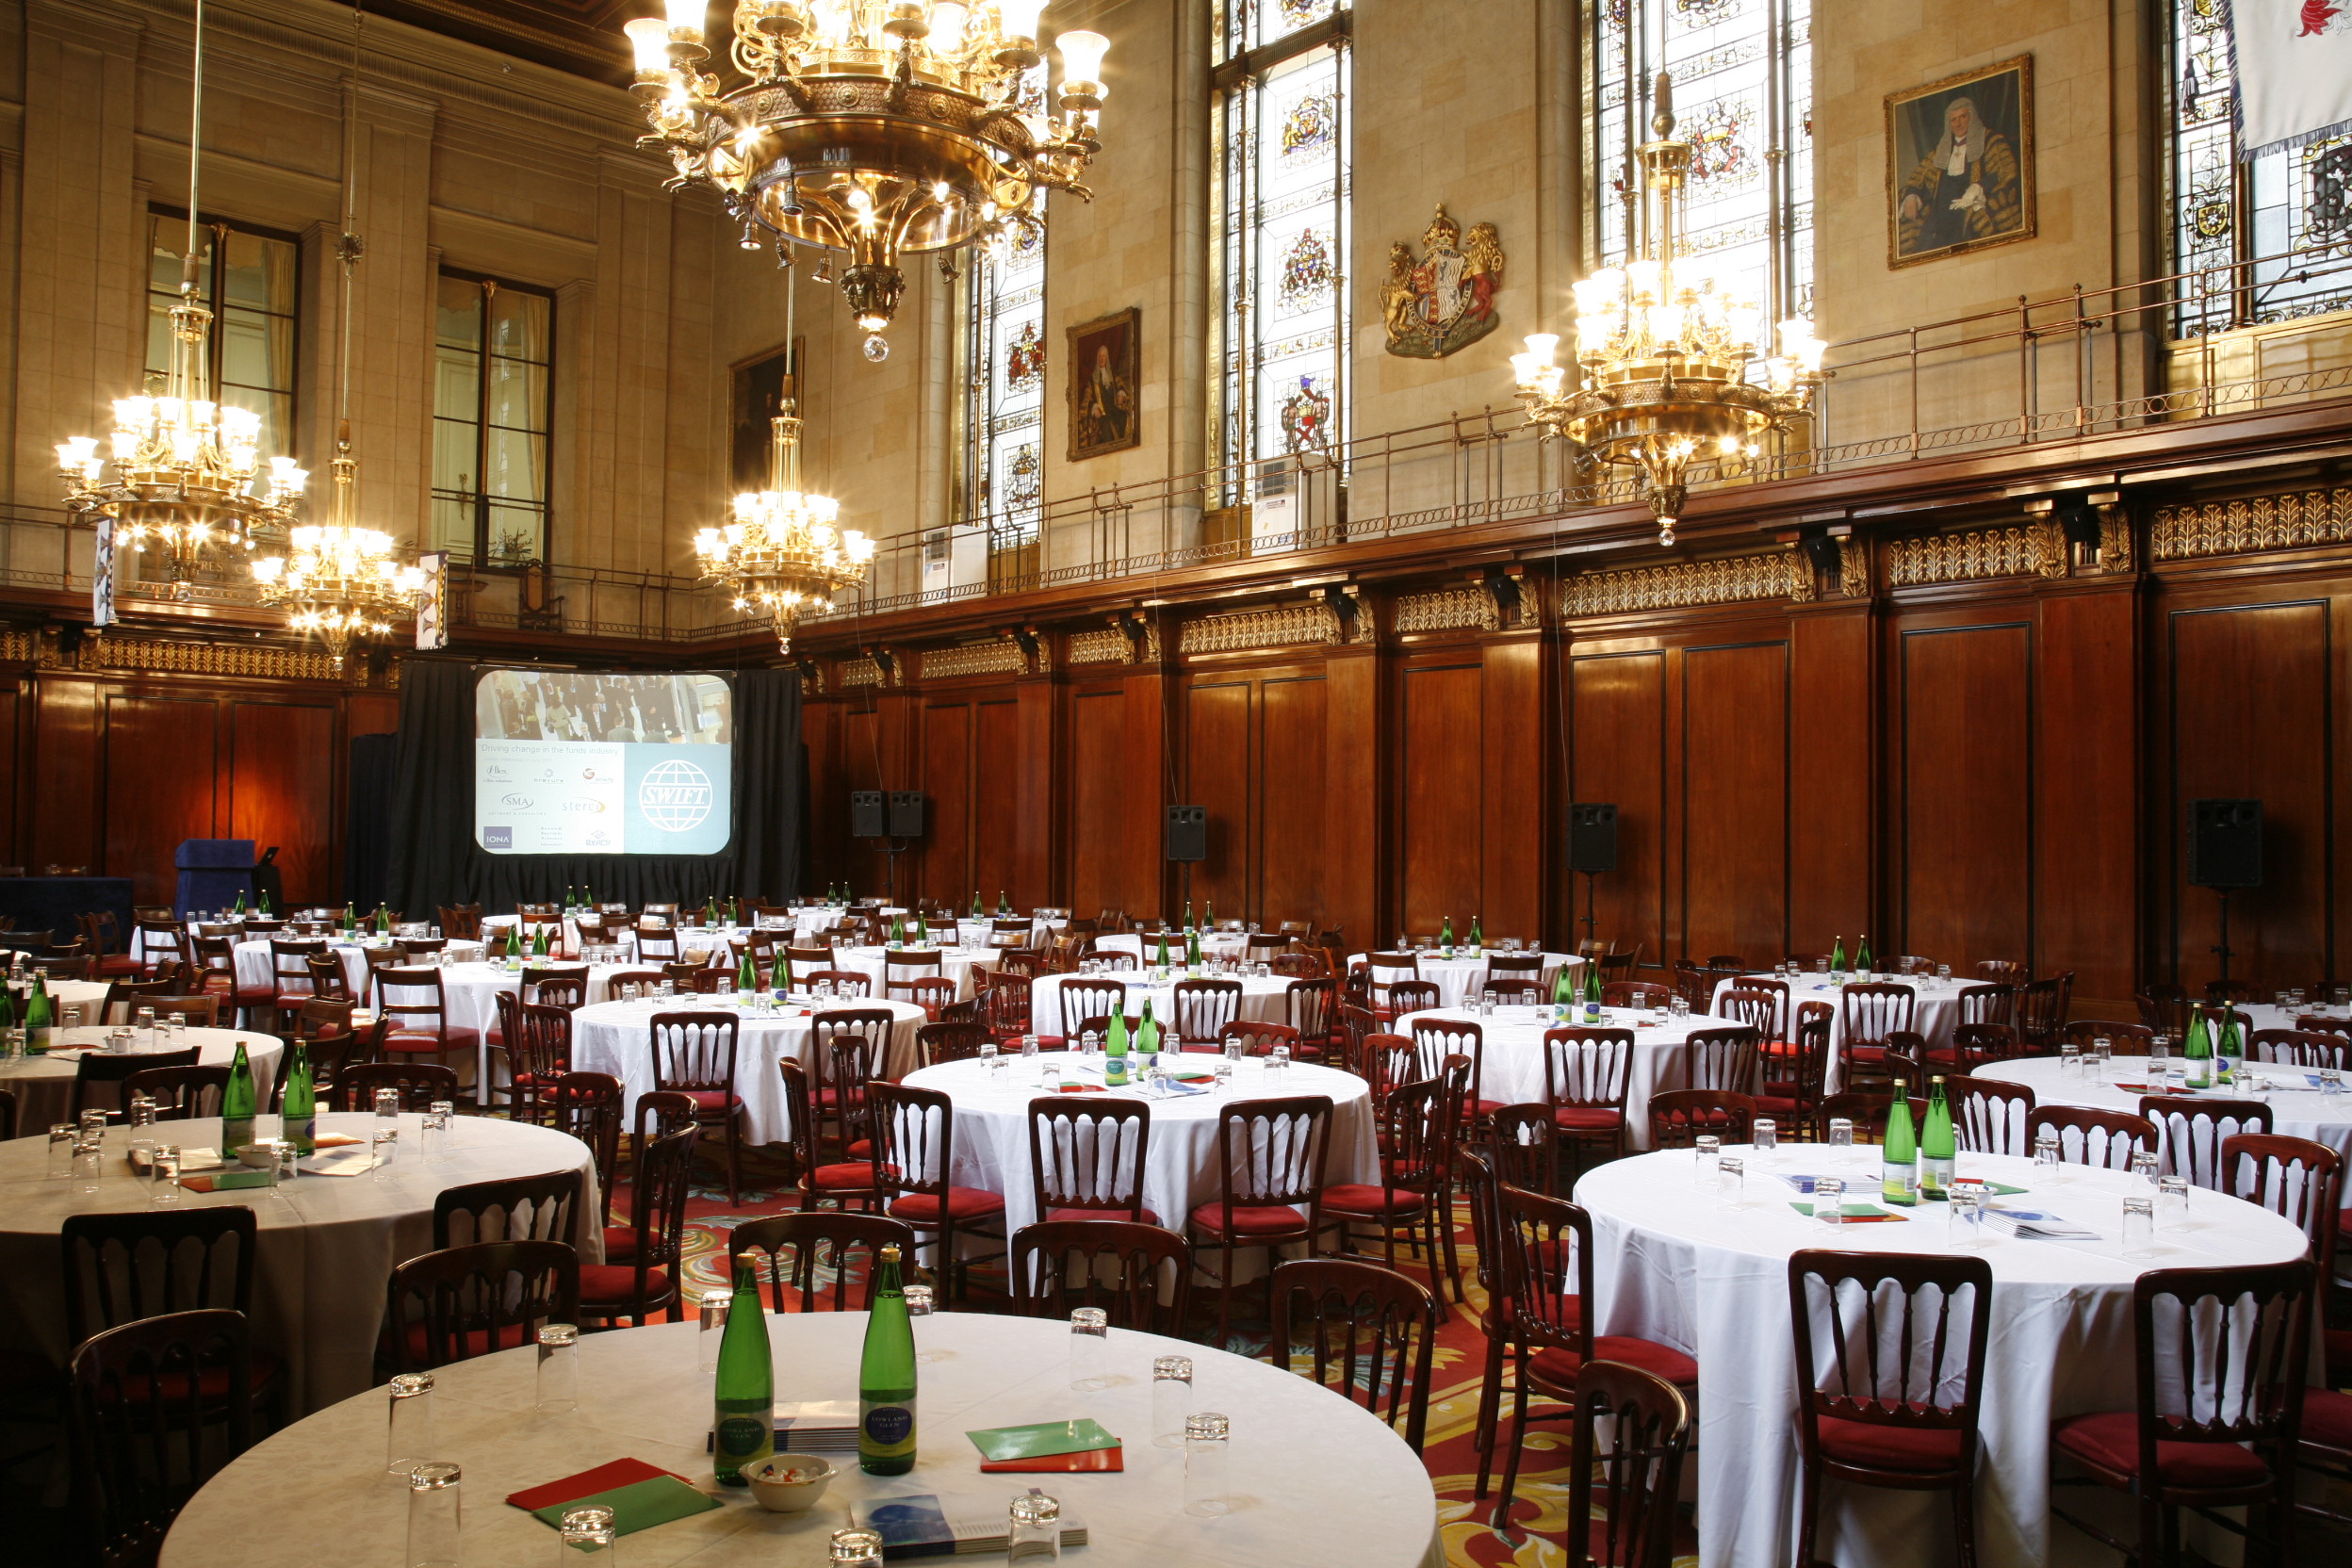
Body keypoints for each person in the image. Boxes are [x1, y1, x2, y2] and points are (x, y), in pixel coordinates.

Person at [1897, 94, 2022, 257]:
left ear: (1972, 117)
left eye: (1963, 117)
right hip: (1939, 218)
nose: (1958, 123)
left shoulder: (1992, 141)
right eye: (1953, 119)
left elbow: (2006, 172)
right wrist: (1912, 197)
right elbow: (1917, 180)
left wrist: (1979, 187)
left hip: (1970, 213)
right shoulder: (1940, 152)